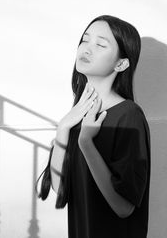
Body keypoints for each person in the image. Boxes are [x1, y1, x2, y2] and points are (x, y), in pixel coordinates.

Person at [35, 15, 151, 238]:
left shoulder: (128, 115)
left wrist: (86, 143)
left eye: (100, 44)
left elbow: (123, 207)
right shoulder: (76, 117)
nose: (87, 49)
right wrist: (63, 128)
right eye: (85, 40)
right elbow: (61, 189)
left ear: (121, 64)